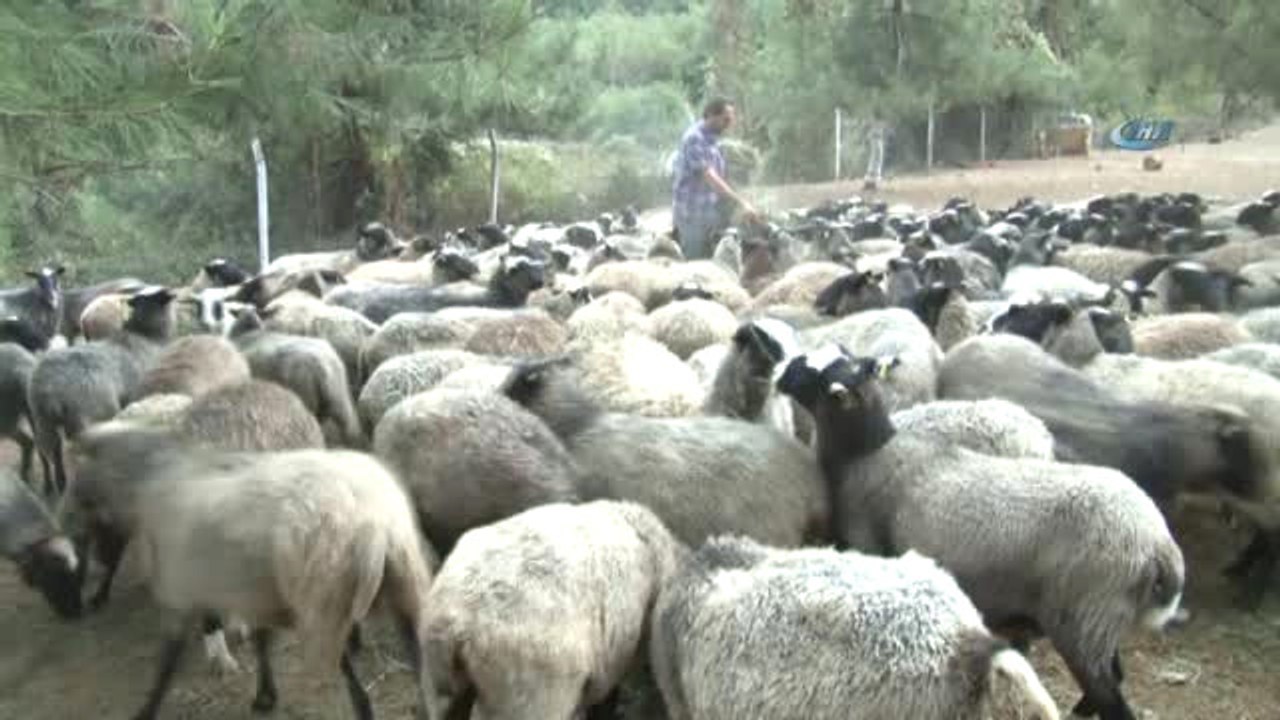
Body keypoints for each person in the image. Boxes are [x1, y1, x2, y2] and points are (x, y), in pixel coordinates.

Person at [671, 98, 759, 259]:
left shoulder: (713, 141)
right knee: (696, 265)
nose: (729, 124)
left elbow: (721, 177)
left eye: (730, 120)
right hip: (692, 215)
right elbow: (710, 177)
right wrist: (740, 203)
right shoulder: (694, 139)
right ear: (711, 115)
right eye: (726, 119)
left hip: (709, 213)